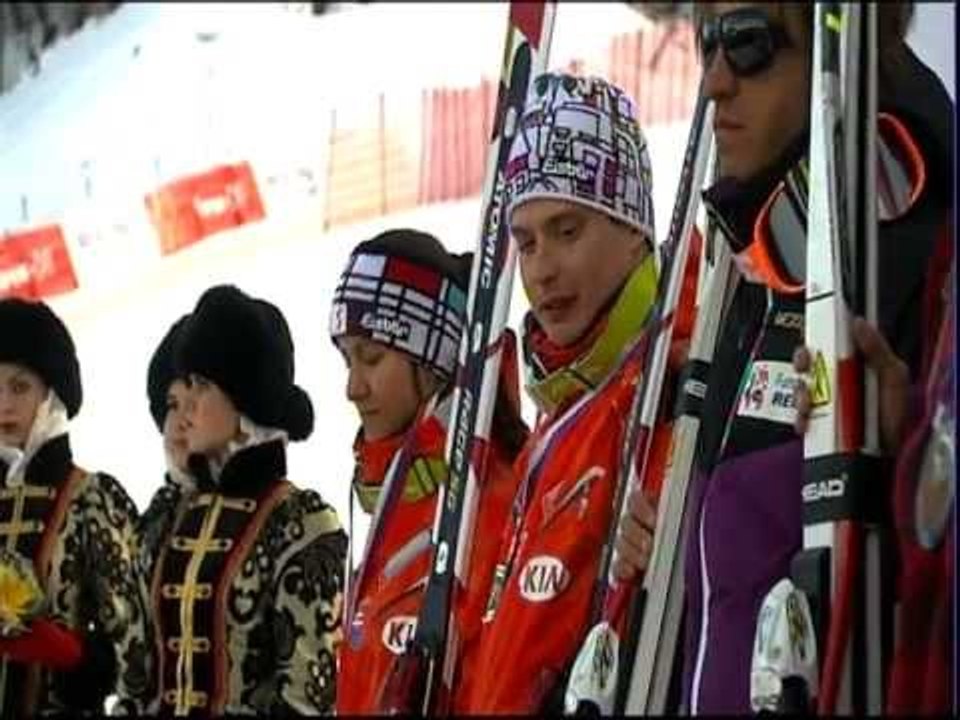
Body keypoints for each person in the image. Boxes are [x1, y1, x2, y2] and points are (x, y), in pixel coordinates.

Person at [612, 2, 953, 714]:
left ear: (839, 49)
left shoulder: (916, 259)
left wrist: (912, 462)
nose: (713, 80)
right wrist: (677, 545)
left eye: (749, 43)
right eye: (708, 42)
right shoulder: (753, 268)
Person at [462, 72, 700, 714]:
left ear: (634, 228)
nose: (541, 269)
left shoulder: (676, 380)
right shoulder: (560, 406)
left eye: (567, 231)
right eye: (526, 242)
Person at [330, 229, 528, 714]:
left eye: (372, 358)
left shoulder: (482, 501)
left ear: (433, 360)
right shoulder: (404, 497)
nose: (353, 387)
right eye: (347, 359)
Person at [135, 285, 347, 715]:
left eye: (202, 386)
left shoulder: (303, 523)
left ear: (243, 397)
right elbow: (138, 680)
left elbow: (308, 699)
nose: (187, 407)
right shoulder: (169, 513)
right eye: (187, 385)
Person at [0, 297, 151, 716]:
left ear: (52, 395)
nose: (3, 404)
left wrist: (71, 655)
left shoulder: (90, 499)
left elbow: (140, 646)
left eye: (19, 387)